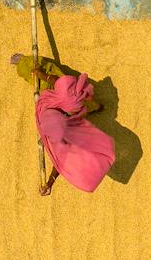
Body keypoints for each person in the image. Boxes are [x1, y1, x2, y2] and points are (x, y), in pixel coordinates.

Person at [13, 53, 117, 195]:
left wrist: (50, 183)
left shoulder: (64, 127)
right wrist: (41, 74)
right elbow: (55, 80)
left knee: (37, 74)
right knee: (50, 72)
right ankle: (96, 106)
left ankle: (23, 62)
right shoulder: (68, 100)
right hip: (66, 101)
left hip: (67, 105)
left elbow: (60, 162)